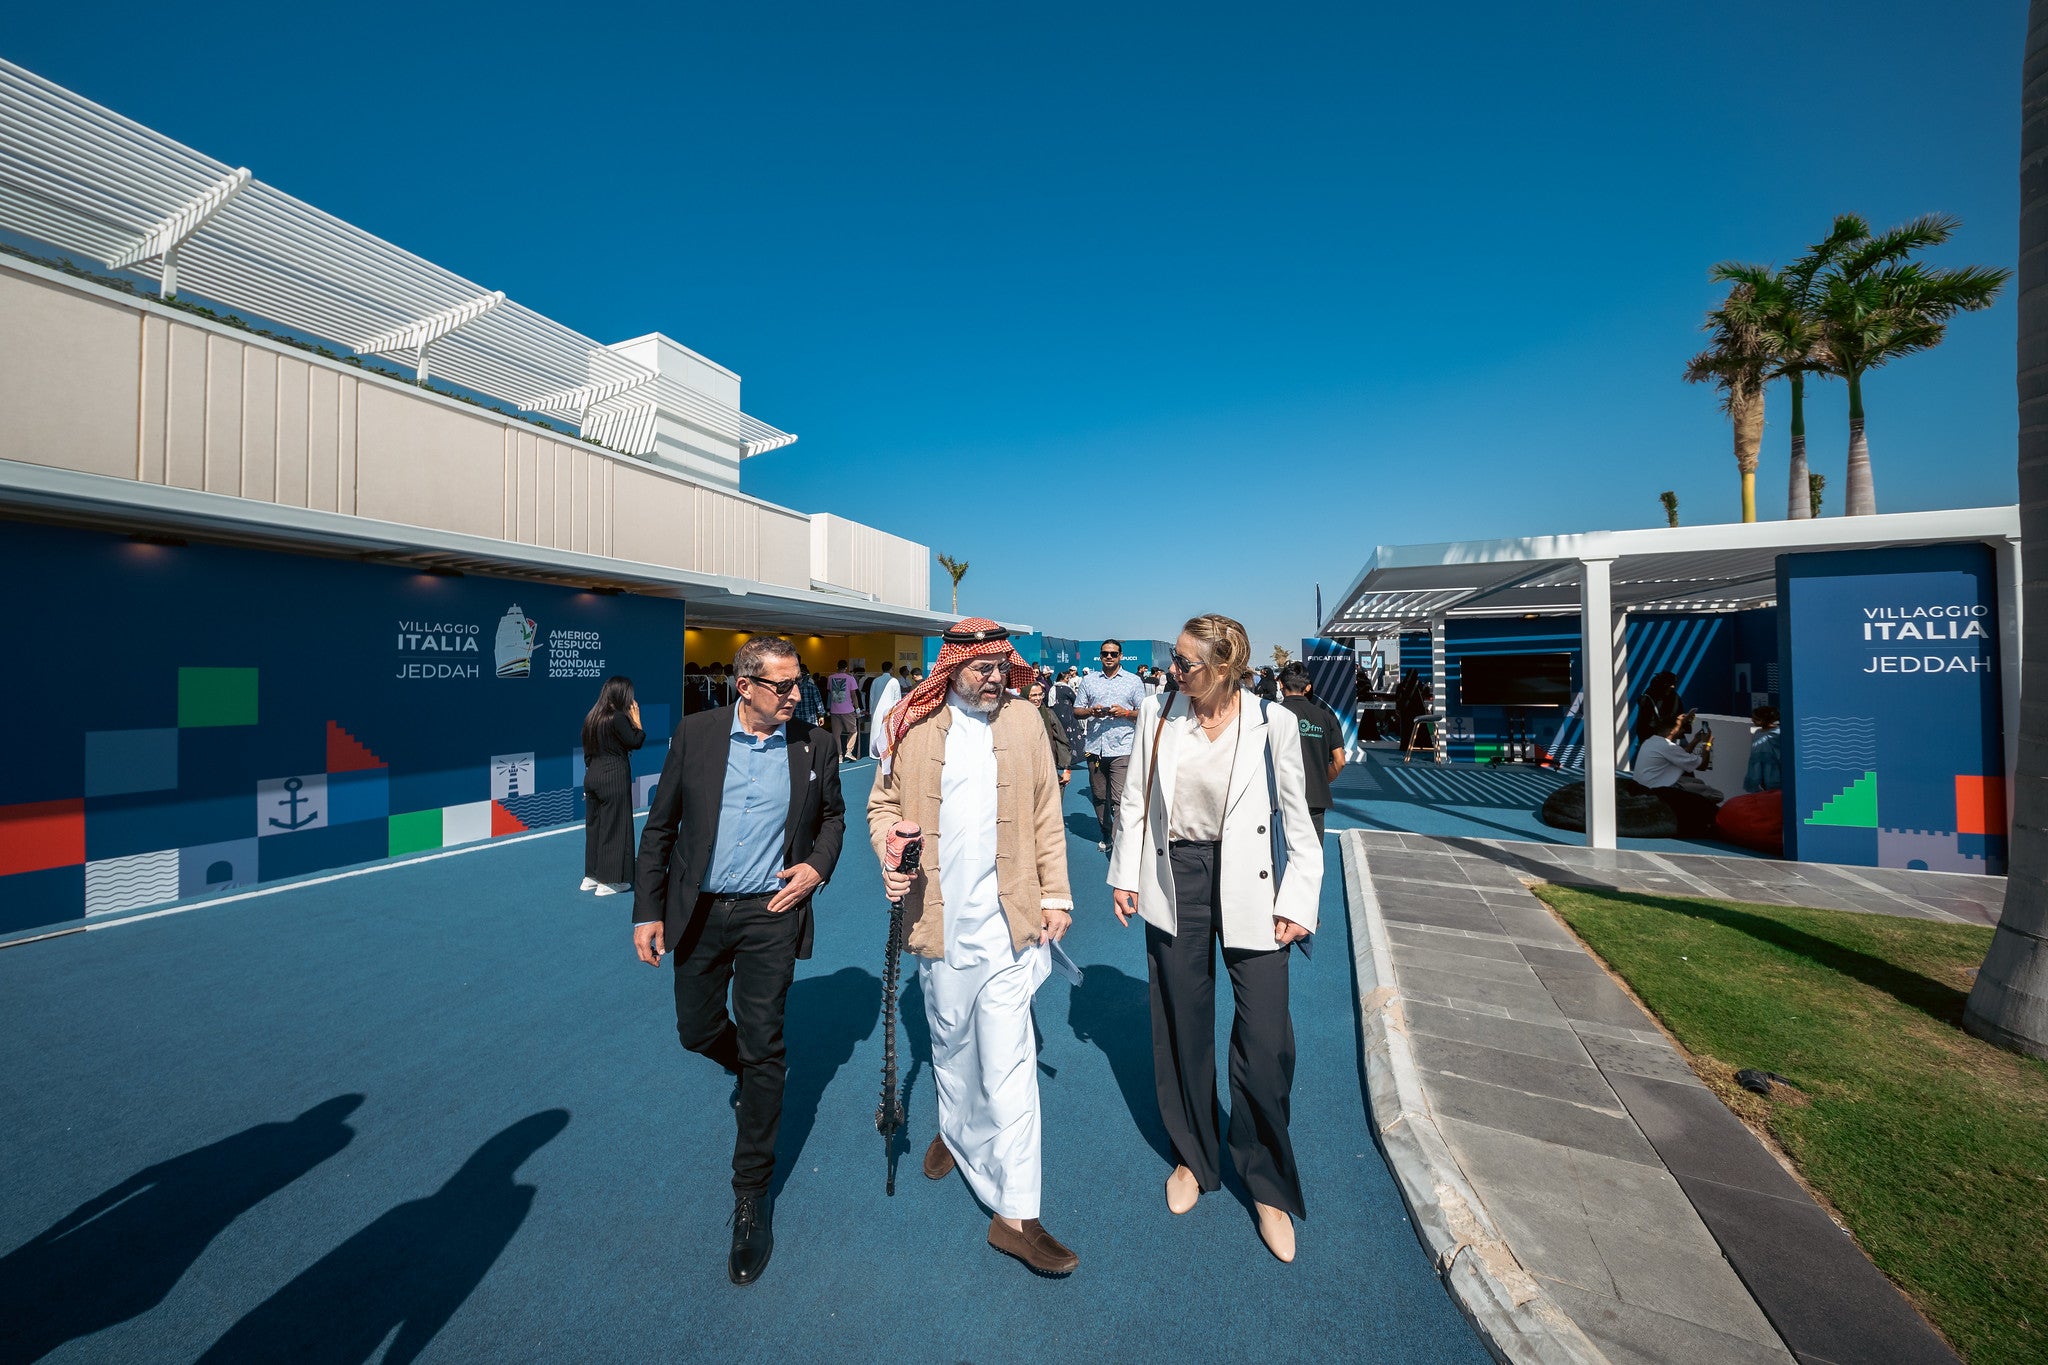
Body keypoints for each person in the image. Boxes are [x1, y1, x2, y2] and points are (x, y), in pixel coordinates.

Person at [632, 635, 846, 1287]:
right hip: (698, 910)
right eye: (782, 685)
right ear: (744, 686)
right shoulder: (696, 735)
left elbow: (833, 818)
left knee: (763, 1042)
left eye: (798, 683)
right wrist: (646, 910)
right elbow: (660, 827)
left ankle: (751, 1197)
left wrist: (816, 867)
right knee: (696, 1030)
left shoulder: (816, 744)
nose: (795, 695)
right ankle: (754, 1073)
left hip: (771, 913)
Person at [1109, 614, 1323, 1263]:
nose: (1171, 670)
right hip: (1177, 872)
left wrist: (1300, 899)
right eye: (1173, 659)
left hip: (1252, 879)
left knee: (1265, 1041)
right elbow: (1135, 799)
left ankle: (1267, 1184)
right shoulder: (1158, 712)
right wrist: (1125, 873)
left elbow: (1300, 819)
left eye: (1185, 662)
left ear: (1224, 667)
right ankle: (1192, 1156)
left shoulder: (1273, 722)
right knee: (1182, 1023)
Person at [869, 620, 1078, 1275]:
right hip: (936, 927)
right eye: (982, 667)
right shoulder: (912, 725)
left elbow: (1045, 812)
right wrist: (889, 847)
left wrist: (1056, 894)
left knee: (1010, 1063)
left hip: (1008, 928)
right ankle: (957, 1134)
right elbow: (881, 806)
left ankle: (1016, 1214)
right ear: (952, 665)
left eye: (1001, 666)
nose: (995, 677)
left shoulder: (1024, 722)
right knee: (952, 1045)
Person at [1074, 639, 1145, 854]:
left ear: (1120, 656)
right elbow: (1077, 710)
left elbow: (1144, 712)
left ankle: (1119, 844)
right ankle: (1106, 833)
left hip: (1123, 747)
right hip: (1095, 747)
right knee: (1098, 796)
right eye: (1105, 653)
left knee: (1119, 798)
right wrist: (1091, 711)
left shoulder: (1133, 681)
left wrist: (1125, 712)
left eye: (1113, 654)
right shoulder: (1089, 681)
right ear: (1100, 656)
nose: (1109, 657)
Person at [581, 675, 645, 893]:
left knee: (595, 827)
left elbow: (587, 752)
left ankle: (591, 875)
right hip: (613, 778)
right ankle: (609, 881)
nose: (632, 700)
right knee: (616, 827)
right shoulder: (617, 718)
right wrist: (636, 721)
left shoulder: (592, 717)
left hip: (592, 777)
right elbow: (635, 741)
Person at [1277, 666, 1346, 837]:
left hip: (1280, 795)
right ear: (1308, 687)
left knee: (1277, 849)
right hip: (1315, 796)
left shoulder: (1273, 714)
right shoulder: (1326, 717)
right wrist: (1321, 780)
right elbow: (1340, 761)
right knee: (1312, 849)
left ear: (1281, 685)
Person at [1633, 709, 1721, 834]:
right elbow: (1702, 766)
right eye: (1680, 727)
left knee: (1697, 782)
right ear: (1671, 730)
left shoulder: (1651, 741)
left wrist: (1695, 740)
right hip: (1659, 791)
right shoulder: (1667, 747)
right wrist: (1707, 743)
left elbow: (1681, 755)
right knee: (1716, 794)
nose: (1683, 730)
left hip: (1644, 786)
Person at [1026, 678, 1073, 785]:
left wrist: (1066, 769)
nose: (1038, 698)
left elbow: (1062, 741)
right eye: (1033, 695)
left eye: (1040, 694)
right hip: (1025, 771)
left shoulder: (1048, 714)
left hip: (1048, 767)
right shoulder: (1017, 717)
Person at [826, 660, 861, 760]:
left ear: (837, 667)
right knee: (853, 731)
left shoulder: (830, 678)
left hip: (834, 710)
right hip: (848, 710)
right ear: (846, 668)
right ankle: (849, 751)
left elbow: (830, 692)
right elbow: (853, 695)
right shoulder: (850, 678)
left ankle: (839, 755)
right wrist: (857, 709)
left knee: (836, 734)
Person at [1744, 706, 1782, 793]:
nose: (1752, 720)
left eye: (1756, 719)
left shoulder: (1777, 733)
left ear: (1765, 720)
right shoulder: (1757, 732)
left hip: (1773, 770)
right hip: (1757, 768)